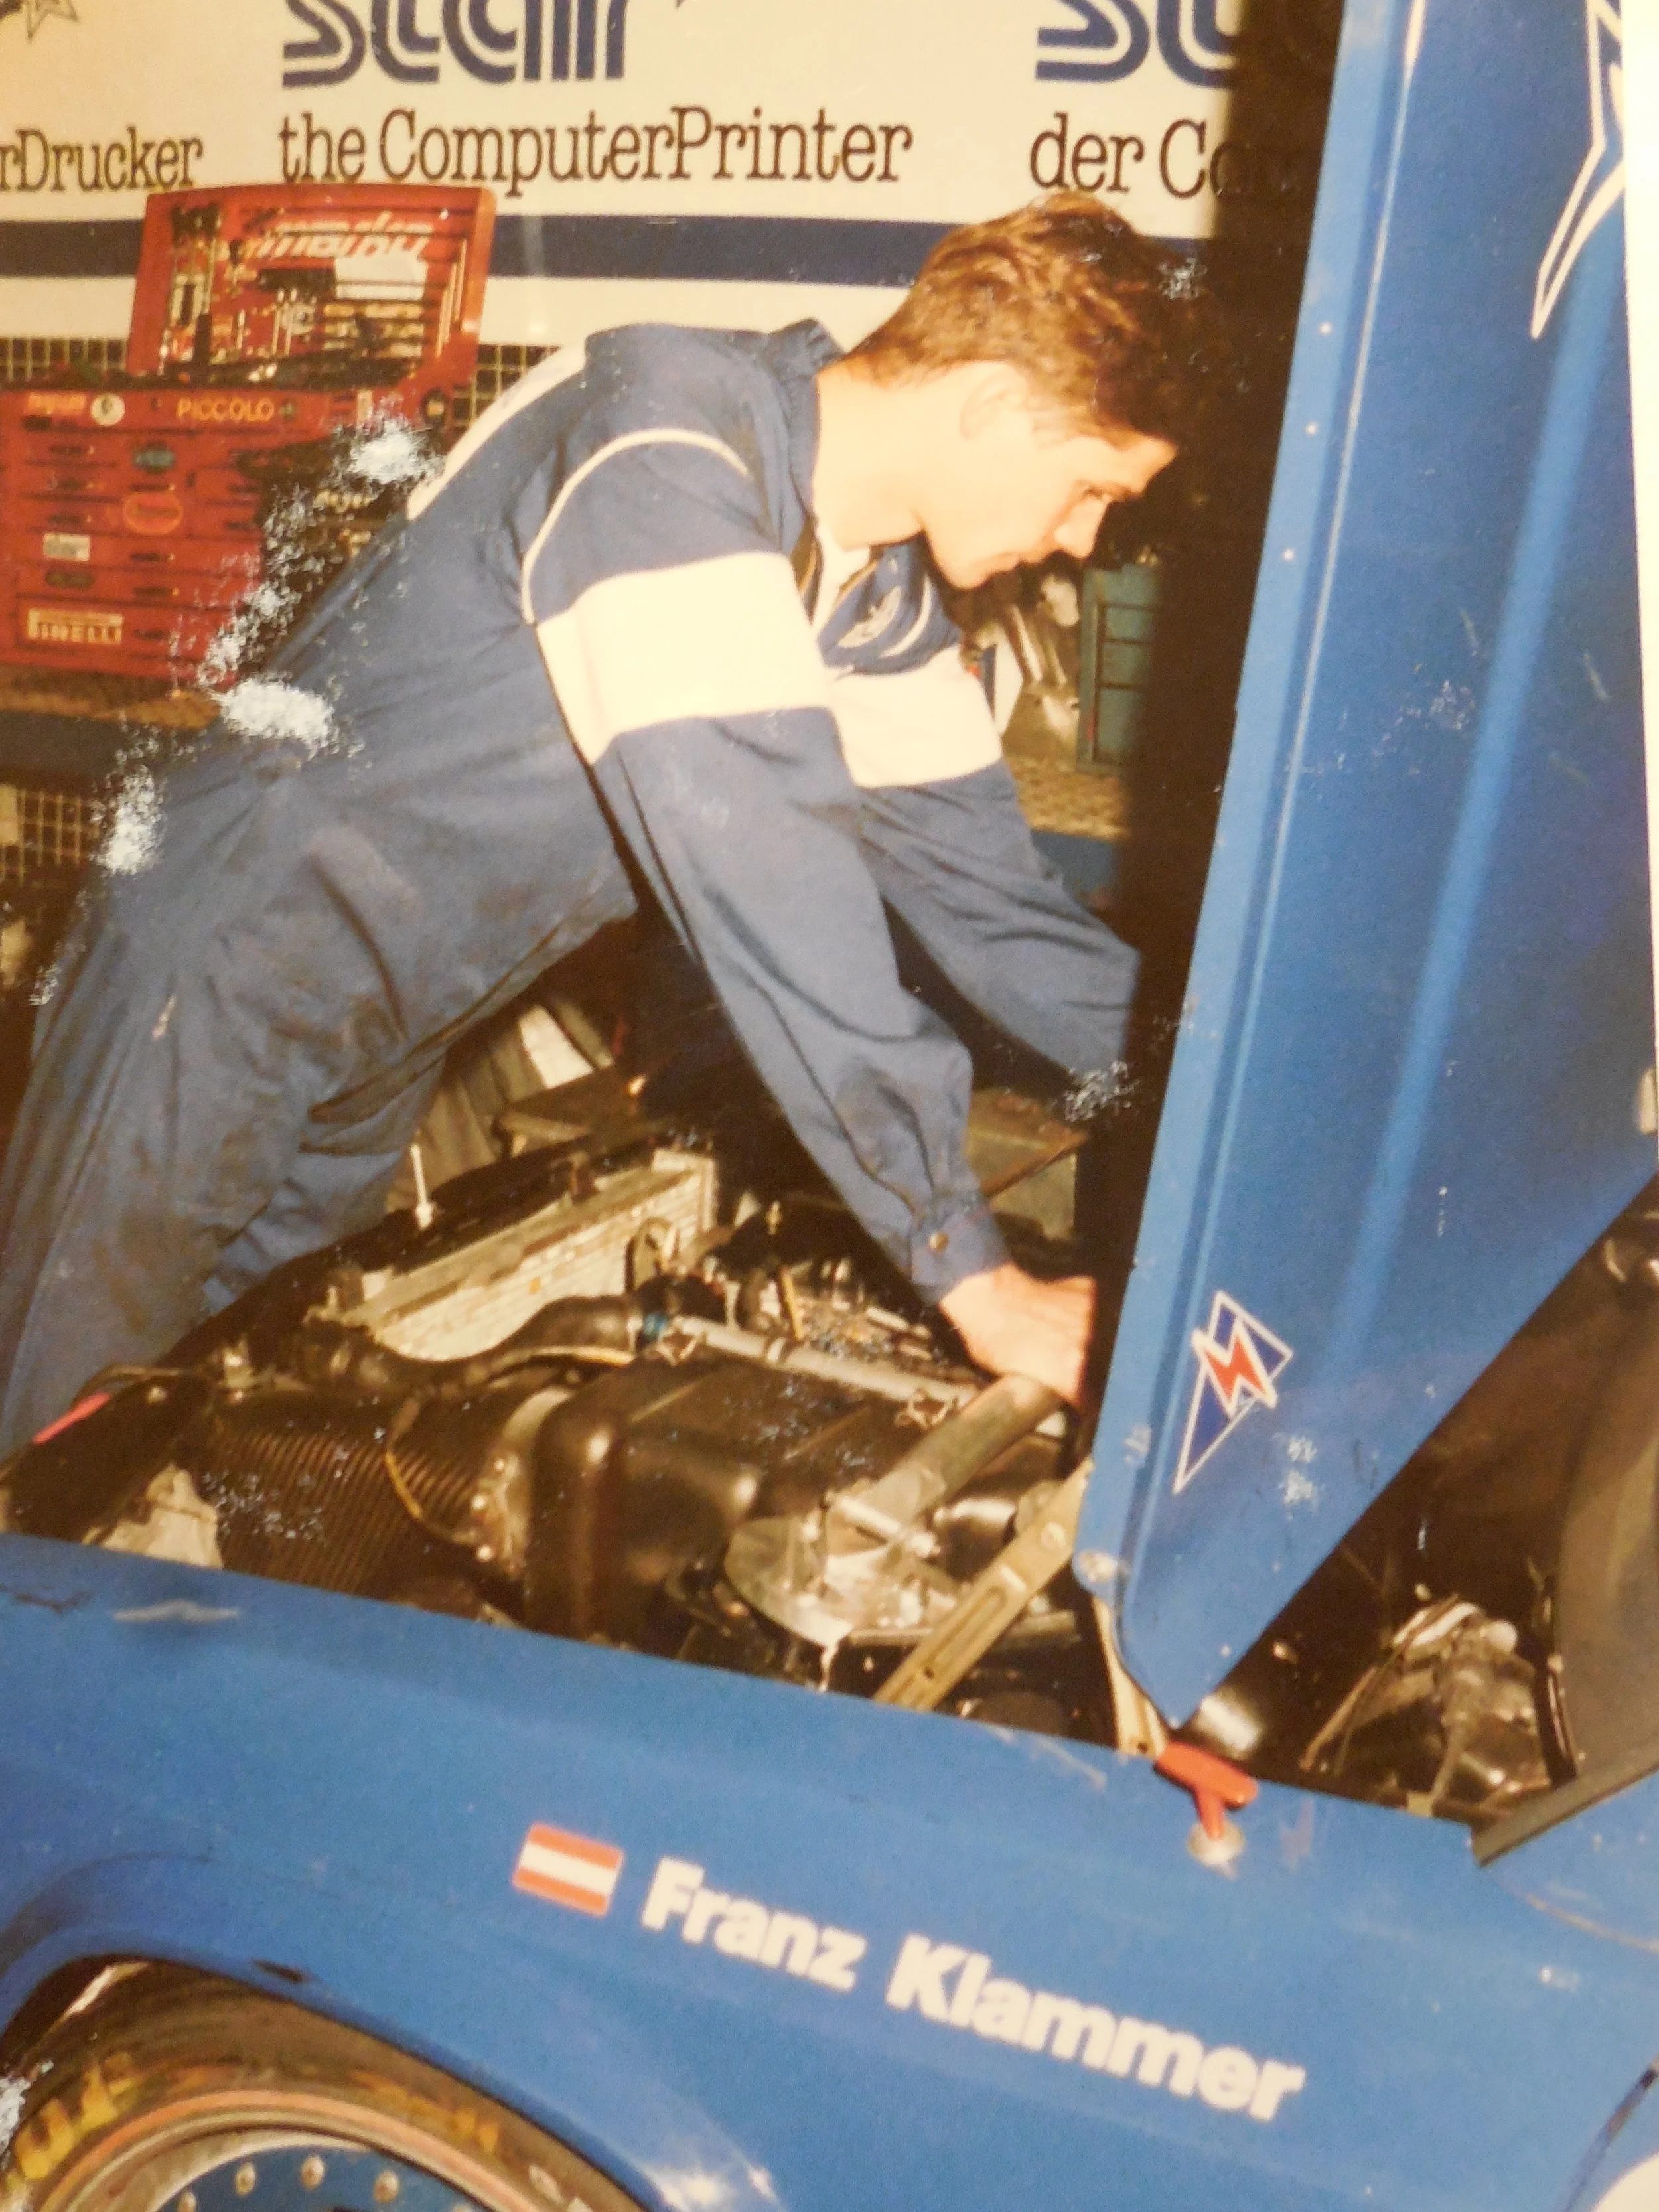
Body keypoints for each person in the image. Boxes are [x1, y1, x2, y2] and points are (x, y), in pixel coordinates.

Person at [0, 191, 1194, 1455]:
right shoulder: (667, 444)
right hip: (223, 968)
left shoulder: (875, 594)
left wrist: (1211, 1081)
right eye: (1089, 488)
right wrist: (972, 1275)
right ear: (995, 407)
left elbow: (1000, 911)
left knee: (249, 1435)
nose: (1084, 542)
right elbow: (773, 885)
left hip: (384, 1029)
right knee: (62, 1446)